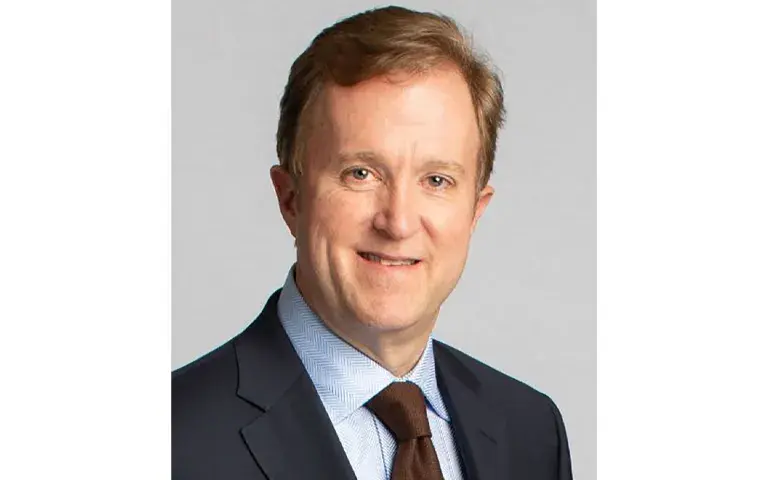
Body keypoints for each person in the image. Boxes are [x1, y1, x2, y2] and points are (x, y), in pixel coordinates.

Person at [173, 6, 572, 480]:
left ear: (474, 212)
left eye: (437, 180)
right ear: (291, 199)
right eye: (360, 173)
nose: (398, 222)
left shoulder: (531, 432)